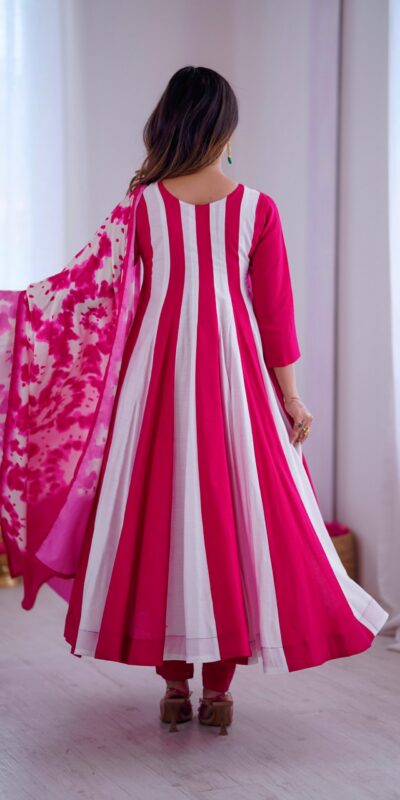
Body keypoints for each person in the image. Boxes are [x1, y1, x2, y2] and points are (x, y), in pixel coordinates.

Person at [0, 65, 389, 737]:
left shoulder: (141, 206)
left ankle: (175, 688)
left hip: (154, 382)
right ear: (227, 130)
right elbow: (276, 316)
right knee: (234, 521)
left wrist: (22, 320)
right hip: (236, 380)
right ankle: (219, 693)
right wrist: (292, 397)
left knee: (159, 518)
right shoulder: (257, 209)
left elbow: (85, 290)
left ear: (169, 124)